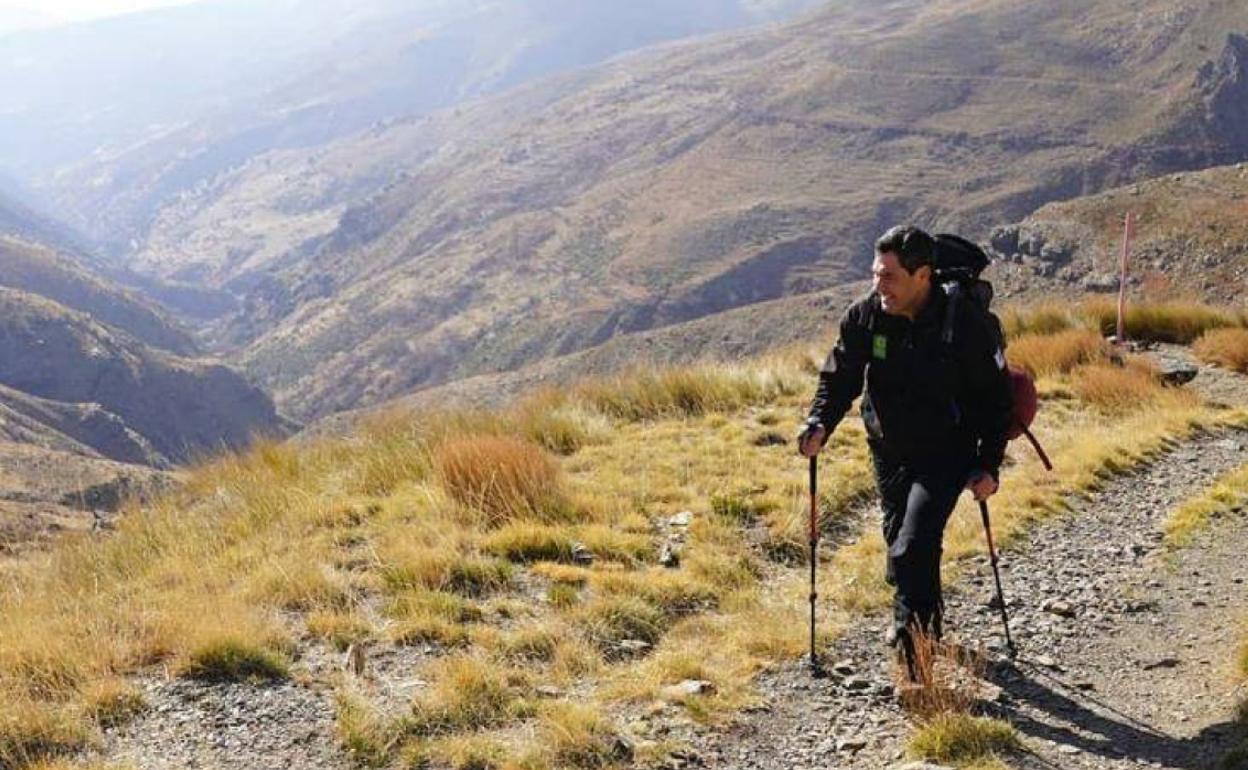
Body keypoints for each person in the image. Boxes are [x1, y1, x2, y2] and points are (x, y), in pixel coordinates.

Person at [797, 225, 1013, 673]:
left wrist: (988, 464)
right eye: (876, 274)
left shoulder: (964, 324)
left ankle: (915, 661)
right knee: (902, 549)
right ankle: (922, 627)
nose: (879, 285)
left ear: (923, 276)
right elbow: (840, 377)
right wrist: (820, 421)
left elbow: (995, 399)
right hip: (888, 448)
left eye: (890, 276)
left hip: (946, 451)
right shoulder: (866, 316)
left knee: (913, 545)